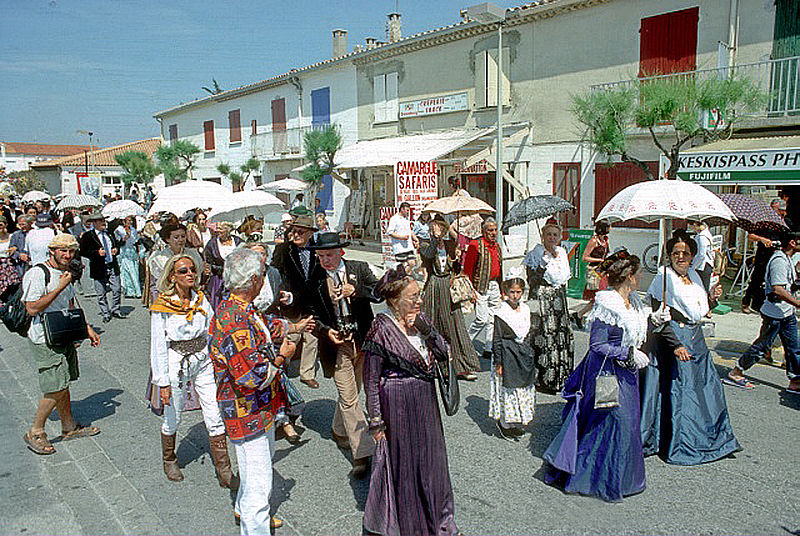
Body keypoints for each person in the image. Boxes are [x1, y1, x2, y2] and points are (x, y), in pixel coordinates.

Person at [209, 248, 303, 534]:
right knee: (258, 486)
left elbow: (264, 327)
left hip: (259, 409)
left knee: (252, 476)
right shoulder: (234, 319)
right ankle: (254, 525)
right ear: (252, 280)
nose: (265, 279)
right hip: (245, 411)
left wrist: (293, 326)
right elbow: (253, 376)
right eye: (262, 274)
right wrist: (283, 356)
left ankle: (242, 508)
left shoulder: (239, 307)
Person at [543, 252, 649, 502]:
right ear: (629, 277)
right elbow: (597, 345)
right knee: (613, 421)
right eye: (639, 273)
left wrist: (657, 321)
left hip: (627, 372)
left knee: (629, 422)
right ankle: (593, 476)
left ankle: (624, 478)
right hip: (607, 372)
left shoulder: (633, 301)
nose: (642, 276)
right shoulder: (607, 303)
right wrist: (628, 351)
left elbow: (634, 332)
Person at [362, 267, 459, 536]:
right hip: (397, 404)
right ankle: (411, 524)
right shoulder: (380, 328)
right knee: (407, 466)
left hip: (425, 401)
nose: (419, 301)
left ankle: (440, 520)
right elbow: (370, 380)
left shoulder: (421, 321)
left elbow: (443, 353)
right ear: (395, 300)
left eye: (420, 295)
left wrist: (426, 329)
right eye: (413, 296)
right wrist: (376, 422)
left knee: (432, 462)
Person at [641, 229, 741, 465]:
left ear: (693, 255)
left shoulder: (695, 276)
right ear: (669, 255)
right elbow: (658, 316)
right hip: (676, 337)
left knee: (705, 389)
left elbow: (700, 311)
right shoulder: (663, 277)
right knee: (682, 391)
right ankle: (681, 443)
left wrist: (714, 298)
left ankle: (708, 438)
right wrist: (675, 345)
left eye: (685, 252)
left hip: (696, 338)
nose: (681, 257)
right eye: (676, 253)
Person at [150, 254, 235, 486]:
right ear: (172, 277)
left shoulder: (200, 298)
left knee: (214, 413)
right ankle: (169, 459)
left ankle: (224, 469)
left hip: (202, 359)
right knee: (173, 416)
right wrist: (162, 382)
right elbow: (158, 345)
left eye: (192, 270)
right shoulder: (162, 305)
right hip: (175, 362)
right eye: (183, 271)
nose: (190, 274)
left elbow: (213, 326)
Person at [307, 231, 380, 477]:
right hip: (337, 347)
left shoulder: (358, 269)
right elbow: (312, 317)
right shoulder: (315, 279)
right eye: (321, 256)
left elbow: (379, 291)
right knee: (350, 399)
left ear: (341, 252)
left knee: (354, 392)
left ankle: (339, 430)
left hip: (362, 342)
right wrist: (326, 332)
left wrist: (356, 290)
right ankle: (363, 453)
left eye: (329, 255)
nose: (325, 261)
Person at [21, 233, 101, 455]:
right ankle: (36, 431)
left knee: (64, 381)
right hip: (43, 337)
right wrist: (60, 285)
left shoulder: (65, 273)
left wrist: (87, 329)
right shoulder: (38, 274)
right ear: (52, 251)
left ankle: (68, 426)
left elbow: (71, 304)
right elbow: (32, 308)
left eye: (71, 251)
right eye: (62, 251)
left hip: (62, 334)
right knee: (55, 385)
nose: (67, 255)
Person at [245, 241, 306, 443]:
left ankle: (285, 419)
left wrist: (287, 298)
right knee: (262, 376)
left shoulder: (273, 273)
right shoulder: (243, 278)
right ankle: (270, 420)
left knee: (280, 373)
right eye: (254, 255)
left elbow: (283, 297)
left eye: (262, 254)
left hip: (274, 329)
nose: (259, 258)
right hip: (251, 332)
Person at [727, 229, 800, 394]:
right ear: (792, 243)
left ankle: (796, 380)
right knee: (762, 345)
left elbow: (789, 285)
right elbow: (778, 289)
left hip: (786, 312)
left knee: (793, 347)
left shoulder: (787, 259)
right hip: (775, 312)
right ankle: (736, 372)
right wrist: (798, 304)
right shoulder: (779, 261)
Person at [420, 218, 479, 380]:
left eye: (438, 228)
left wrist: (458, 257)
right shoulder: (425, 244)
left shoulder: (450, 245)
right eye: (432, 229)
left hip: (447, 285)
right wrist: (435, 239)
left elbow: (456, 268)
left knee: (454, 325)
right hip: (434, 286)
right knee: (432, 325)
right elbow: (429, 255)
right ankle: (433, 366)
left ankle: (461, 367)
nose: (435, 231)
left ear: (444, 229)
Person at [271, 214, 322, 388]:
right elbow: (275, 273)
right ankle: (280, 368)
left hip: (312, 302)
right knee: (291, 336)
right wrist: (281, 294)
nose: (296, 235)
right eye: (294, 231)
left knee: (312, 338)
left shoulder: (318, 249)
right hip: (291, 302)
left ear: (310, 233)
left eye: (301, 232)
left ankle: (306, 373)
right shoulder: (283, 249)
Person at [523, 222, 574, 392]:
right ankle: (544, 379)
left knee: (561, 335)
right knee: (544, 337)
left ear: (560, 237)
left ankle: (561, 377)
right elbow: (532, 281)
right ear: (543, 236)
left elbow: (563, 279)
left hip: (558, 300)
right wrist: (544, 260)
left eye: (555, 235)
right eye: (549, 235)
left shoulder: (562, 253)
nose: (552, 238)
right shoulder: (535, 254)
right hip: (542, 299)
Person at [489, 268, 537, 439]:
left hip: (521, 353)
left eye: (518, 292)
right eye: (512, 292)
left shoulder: (524, 309)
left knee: (521, 388)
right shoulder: (501, 312)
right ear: (505, 292)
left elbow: (528, 332)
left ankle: (515, 420)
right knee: (507, 389)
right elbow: (497, 339)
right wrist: (499, 362)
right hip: (507, 354)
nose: (515, 295)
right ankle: (504, 423)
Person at [463, 217, 503, 359]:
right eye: (490, 230)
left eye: (495, 230)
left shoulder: (497, 247)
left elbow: (500, 269)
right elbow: (467, 270)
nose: (493, 233)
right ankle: (465, 343)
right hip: (479, 286)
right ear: (483, 231)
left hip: (494, 285)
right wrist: (471, 290)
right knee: (481, 318)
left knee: (493, 318)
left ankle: (488, 347)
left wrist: (502, 289)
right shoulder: (476, 245)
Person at [79, 212, 124, 323]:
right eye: (100, 221)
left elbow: (116, 245)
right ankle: (105, 313)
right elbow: (83, 251)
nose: (103, 223)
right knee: (101, 292)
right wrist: (96, 253)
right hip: (98, 267)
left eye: (104, 220)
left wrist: (115, 250)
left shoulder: (109, 234)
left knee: (117, 289)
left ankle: (115, 309)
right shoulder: (88, 236)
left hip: (111, 264)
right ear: (94, 223)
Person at [146, 221, 203, 307]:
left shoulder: (193, 254)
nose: (180, 240)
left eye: (183, 236)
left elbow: (198, 275)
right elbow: (157, 282)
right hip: (168, 295)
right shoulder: (159, 257)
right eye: (176, 237)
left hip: (190, 294)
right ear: (167, 239)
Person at [574, 220, 610, 325]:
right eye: (608, 226)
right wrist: (599, 260)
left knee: (599, 297)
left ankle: (580, 315)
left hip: (603, 271)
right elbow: (585, 257)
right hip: (595, 271)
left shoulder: (606, 240)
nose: (610, 228)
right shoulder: (594, 241)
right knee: (598, 297)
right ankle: (590, 318)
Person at [204, 221, 241, 310]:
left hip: (236, 279)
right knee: (218, 305)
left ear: (228, 229)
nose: (218, 231)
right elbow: (208, 261)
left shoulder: (238, 241)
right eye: (217, 228)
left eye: (221, 228)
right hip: (218, 279)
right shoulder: (212, 243)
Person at [741, 230, 780, 315]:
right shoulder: (765, 224)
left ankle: (766, 304)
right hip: (763, 254)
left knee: (773, 281)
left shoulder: (785, 224)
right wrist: (762, 239)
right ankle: (746, 301)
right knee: (756, 279)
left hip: (777, 255)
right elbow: (750, 236)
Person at [114, 216, 141, 299]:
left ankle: (136, 290)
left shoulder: (133, 230)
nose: (130, 222)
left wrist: (138, 252)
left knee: (134, 271)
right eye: (128, 220)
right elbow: (117, 242)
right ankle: (129, 291)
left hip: (132, 252)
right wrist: (124, 239)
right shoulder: (119, 229)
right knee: (126, 271)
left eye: (131, 220)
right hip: (124, 252)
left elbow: (136, 242)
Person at [386, 202, 418, 269]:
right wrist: (401, 237)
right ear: (402, 209)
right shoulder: (394, 219)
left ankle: (406, 276)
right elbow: (390, 232)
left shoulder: (406, 219)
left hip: (409, 246)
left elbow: (410, 231)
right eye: (407, 210)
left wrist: (415, 238)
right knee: (402, 265)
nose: (408, 212)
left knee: (412, 263)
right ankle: (402, 277)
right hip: (399, 247)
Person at [687, 219, 715, 293]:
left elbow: (701, 255)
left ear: (695, 224)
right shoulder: (707, 233)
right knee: (704, 288)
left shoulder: (702, 237)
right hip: (708, 264)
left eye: (692, 227)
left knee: (701, 289)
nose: (693, 230)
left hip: (702, 266)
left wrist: (693, 267)